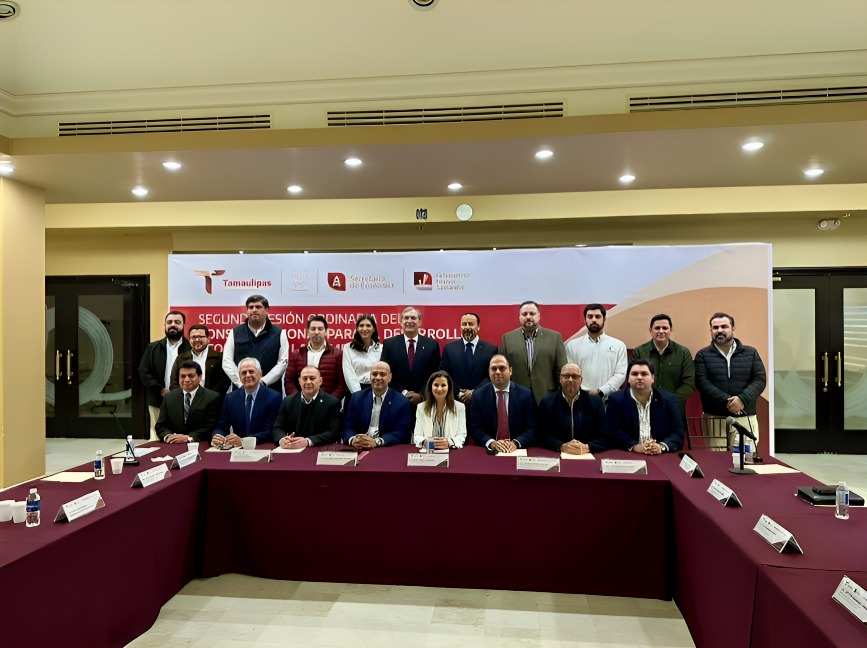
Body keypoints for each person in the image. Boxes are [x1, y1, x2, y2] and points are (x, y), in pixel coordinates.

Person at [694, 312, 767, 445]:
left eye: (724, 326)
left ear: (733, 328)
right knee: (715, 457)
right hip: (714, 417)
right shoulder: (702, 355)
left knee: (745, 456)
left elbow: (759, 379)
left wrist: (742, 400)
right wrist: (729, 402)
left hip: (744, 415)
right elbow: (702, 383)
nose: (719, 330)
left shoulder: (750, 353)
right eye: (715, 327)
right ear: (710, 331)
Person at [607, 359, 684, 454]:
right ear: (628, 379)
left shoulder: (668, 399)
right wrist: (634, 446)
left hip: (660, 455)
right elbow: (614, 430)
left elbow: (678, 431)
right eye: (634, 374)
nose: (639, 377)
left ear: (652, 378)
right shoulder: (616, 399)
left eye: (644, 374)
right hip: (629, 454)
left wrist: (661, 447)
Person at [500, 300, 567, 404]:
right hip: (517, 397)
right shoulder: (507, 338)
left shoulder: (555, 337)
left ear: (538, 316)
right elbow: (503, 370)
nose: (528, 317)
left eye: (532, 313)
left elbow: (561, 370)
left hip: (548, 397)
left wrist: (560, 395)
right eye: (524, 314)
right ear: (519, 317)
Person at [631, 314, 695, 421]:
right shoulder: (639, 352)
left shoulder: (683, 353)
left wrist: (669, 401)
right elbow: (633, 380)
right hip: (645, 411)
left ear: (671, 330)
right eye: (657, 328)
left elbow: (689, 383)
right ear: (650, 330)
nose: (661, 331)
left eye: (665, 328)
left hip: (674, 411)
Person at [139, 311, 191, 441]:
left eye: (177, 322)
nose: (173, 325)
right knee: (157, 438)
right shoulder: (153, 348)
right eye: (169, 322)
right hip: (158, 399)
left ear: (184, 325)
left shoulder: (190, 348)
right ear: (165, 325)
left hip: (185, 400)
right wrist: (161, 390)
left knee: (181, 439)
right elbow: (144, 371)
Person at [221, 294, 288, 393]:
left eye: (258, 307)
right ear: (247, 311)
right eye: (251, 307)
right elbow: (227, 361)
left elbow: (282, 363)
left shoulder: (279, 333)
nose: (254, 310)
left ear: (266, 310)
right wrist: (241, 382)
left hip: (270, 390)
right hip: (241, 390)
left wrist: (263, 382)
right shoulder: (235, 332)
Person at [538, 363, 609, 455]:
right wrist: (561, 446)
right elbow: (541, 434)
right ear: (560, 379)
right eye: (566, 376)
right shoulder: (547, 402)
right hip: (557, 453)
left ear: (581, 380)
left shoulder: (595, 403)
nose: (570, 380)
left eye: (575, 376)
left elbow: (605, 436)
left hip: (587, 454)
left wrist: (587, 447)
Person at [469, 354, 536, 452]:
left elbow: (532, 428)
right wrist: (492, 443)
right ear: (488, 371)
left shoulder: (526, 395)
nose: (497, 372)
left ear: (510, 371)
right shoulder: (478, 395)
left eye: (502, 368)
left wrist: (515, 443)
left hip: (516, 450)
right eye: (493, 369)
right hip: (489, 452)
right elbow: (474, 428)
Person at [212, 357, 282, 448]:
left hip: (262, 447)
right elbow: (222, 426)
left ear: (260, 374)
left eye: (251, 371)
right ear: (239, 376)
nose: (247, 375)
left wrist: (244, 441)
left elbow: (270, 431)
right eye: (244, 373)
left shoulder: (273, 397)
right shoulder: (230, 398)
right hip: (237, 450)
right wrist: (218, 436)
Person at [380, 306, 441, 407]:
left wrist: (421, 395)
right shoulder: (389, 344)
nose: (409, 321)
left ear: (419, 322)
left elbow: (435, 374)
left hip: (424, 402)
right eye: (406, 318)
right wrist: (404, 393)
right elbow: (385, 373)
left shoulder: (432, 345)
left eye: (413, 318)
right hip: (396, 401)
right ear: (401, 322)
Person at [565, 303, 627, 401]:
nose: (594, 320)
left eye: (597, 316)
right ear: (585, 320)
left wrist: (601, 391)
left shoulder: (619, 345)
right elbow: (571, 373)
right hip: (580, 399)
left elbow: (620, 374)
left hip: (609, 400)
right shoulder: (572, 346)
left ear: (604, 319)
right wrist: (584, 391)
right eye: (590, 317)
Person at [342, 361, 411, 448]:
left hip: (384, 448)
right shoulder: (357, 398)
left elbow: (402, 432)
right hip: (359, 446)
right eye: (374, 374)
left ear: (390, 377)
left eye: (382, 374)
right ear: (370, 376)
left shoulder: (402, 401)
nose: (378, 378)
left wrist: (377, 442)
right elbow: (347, 427)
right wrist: (353, 440)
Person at [272, 366, 342, 448]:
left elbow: (334, 432)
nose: (308, 382)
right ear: (299, 381)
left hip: (319, 449)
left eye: (312, 378)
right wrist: (282, 439)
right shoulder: (288, 401)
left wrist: (308, 441)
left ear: (320, 381)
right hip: (292, 448)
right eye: (304, 379)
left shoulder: (332, 402)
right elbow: (277, 427)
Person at [439, 312, 498, 406]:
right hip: (455, 402)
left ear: (478, 326)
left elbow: (492, 375)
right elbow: (444, 374)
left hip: (481, 402)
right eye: (464, 324)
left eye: (471, 324)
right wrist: (459, 392)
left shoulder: (491, 349)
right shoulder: (449, 349)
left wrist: (474, 393)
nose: (467, 327)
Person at [155, 360, 221, 443]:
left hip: (199, 444)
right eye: (183, 376)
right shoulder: (169, 397)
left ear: (200, 377)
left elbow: (211, 426)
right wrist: (168, 436)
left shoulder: (212, 397)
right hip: (173, 444)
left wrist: (189, 438)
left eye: (191, 376)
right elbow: (161, 425)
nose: (186, 380)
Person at [284, 315, 344, 399]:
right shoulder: (296, 355)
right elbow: (289, 381)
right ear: (308, 332)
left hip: (328, 404)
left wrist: (329, 403)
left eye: (320, 329)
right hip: (301, 404)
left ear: (326, 332)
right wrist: (298, 401)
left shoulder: (338, 354)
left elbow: (341, 385)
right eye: (313, 329)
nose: (316, 332)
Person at [169, 324, 231, 398]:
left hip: (212, 401)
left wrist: (209, 398)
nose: (197, 340)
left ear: (208, 339)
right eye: (193, 337)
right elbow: (174, 382)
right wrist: (183, 398)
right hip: (185, 400)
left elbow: (224, 382)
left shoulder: (219, 358)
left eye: (200, 337)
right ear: (189, 340)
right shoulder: (181, 358)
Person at [412, 370, 467, 449]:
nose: (439, 389)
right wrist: (425, 442)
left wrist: (449, 443)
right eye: (436, 385)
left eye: (443, 385)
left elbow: (462, 435)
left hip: (451, 451)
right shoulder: (421, 408)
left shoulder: (460, 407)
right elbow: (417, 436)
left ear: (449, 387)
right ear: (431, 387)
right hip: (429, 451)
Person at [342, 314, 383, 394]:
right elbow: (349, 374)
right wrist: (358, 394)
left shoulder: (381, 348)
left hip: (377, 390)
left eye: (368, 326)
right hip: (355, 390)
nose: (364, 329)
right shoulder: (348, 348)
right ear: (357, 329)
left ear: (373, 329)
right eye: (361, 326)